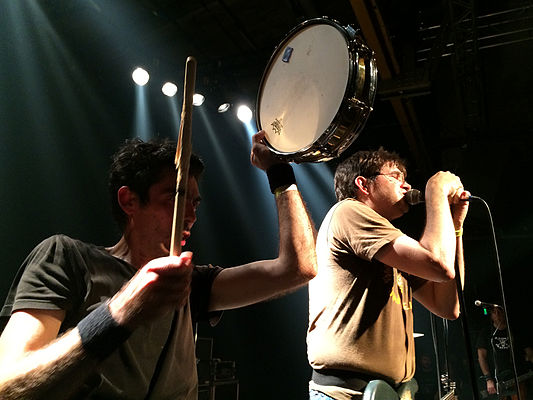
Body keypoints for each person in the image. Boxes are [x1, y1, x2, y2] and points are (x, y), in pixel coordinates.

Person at [0, 130, 317, 400]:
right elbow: (9, 385)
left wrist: (280, 174)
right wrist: (119, 314)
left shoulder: (188, 283)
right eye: (175, 197)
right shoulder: (68, 258)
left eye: (195, 203)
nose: (191, 214)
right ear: (129, 201)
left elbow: (299, 267)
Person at [307, 148, 470, 400]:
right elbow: (438, 263)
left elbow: (448, 306)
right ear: (363, 184)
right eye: (396, 177)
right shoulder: (348, 212)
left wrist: (456, 228)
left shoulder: (390, 246)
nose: (406, 186)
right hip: (346, 393)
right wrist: (435, 189)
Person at [476, 305, 532, 400]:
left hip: (518, 376)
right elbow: (481, 357)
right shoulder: (486, 333)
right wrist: (488, 379)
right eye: (494, 312)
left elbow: (529, 353)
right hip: (497, 380)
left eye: (500, 311)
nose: (497, 314)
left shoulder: (516, 330)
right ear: (491, 315)